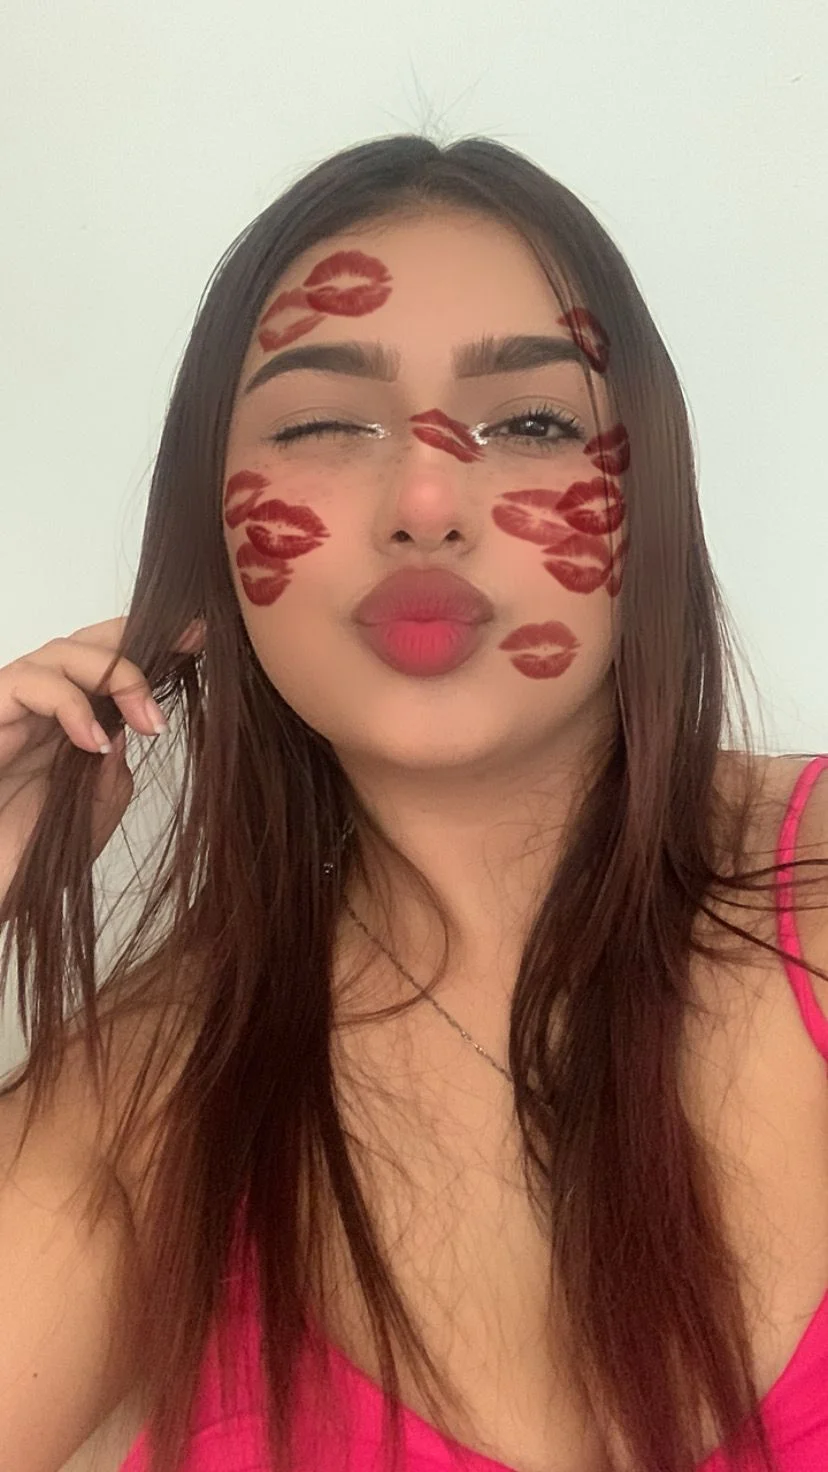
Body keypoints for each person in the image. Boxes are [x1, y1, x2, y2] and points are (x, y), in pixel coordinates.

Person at [1, 133, 827, 1472]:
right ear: (211, 526)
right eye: (325, 424)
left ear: (651, 500)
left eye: (534, 423)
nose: (428, 502)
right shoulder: (142, 1097)